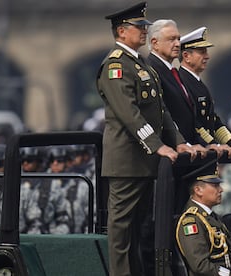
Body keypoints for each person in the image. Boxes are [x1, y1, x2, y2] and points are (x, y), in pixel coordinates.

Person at [96, 2, 198, 275]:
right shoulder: (116, 65)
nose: (143, 31)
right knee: (122, 231)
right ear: (121, 31)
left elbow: (160, 111)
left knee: (141, 228)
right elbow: (129, 114)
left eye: (144, 26)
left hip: (144, 160)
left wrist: (177, 141)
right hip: (127, 160)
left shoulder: (140, 64)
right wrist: (158, 146)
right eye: (138, 27)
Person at [178, 26, 231, 172]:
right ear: (186, 56)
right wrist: (214, 144)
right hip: (195, 158)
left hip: (207, 154)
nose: (207, 56)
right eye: (202, 52)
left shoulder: (199, 83)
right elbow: (194, 123)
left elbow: (213, 121)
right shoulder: (182, 83)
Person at [176, 162, 231, 276]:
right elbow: (200, 265)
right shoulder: (191, 221)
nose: (221, 190)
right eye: (215, 186)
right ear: (198, 190)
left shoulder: (213, 217)